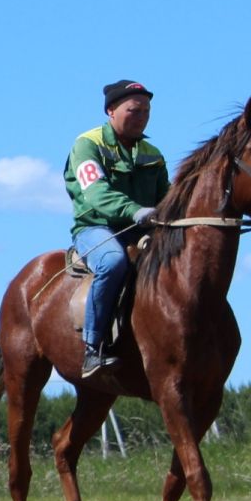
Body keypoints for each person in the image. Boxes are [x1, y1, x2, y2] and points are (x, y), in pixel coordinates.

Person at [65, 79, 169, 378]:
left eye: (146, 111)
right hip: (97, 228)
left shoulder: (152, 152)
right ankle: (93, 349)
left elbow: (167, 195)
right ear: (111, 110)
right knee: (112, 261)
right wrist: (135, 211)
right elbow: (96, 193)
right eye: (134, 110)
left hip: (143, 227)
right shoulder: (88, 143)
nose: (141, 117)